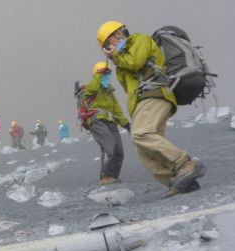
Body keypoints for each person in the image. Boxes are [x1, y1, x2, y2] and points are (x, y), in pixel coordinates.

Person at [97, 20, 205, 194]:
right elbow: (130, 86)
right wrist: (118, 58)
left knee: (142, 133)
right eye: (106, 45)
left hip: (154, 94)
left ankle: (185, 164)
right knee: (145, 148)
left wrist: (117, 56)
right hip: (144, 101)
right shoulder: (121, 59)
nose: (109, 47)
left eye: (108, 42)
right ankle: (178, 181)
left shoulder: (139, 40)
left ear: (118, 34)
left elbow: (136, 62)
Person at [84, 61, 131, 185]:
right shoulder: (91, 87)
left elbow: (117, 111)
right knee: (109, 146)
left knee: (119, 151)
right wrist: (99, 75)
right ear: (97, 74)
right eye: (105, 73)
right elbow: (93, 87)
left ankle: (113, 177)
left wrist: (126, 124)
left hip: (111, 122)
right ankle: (105, 176)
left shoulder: (109, 92)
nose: (107, 76)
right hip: (97, 120)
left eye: (108, 73)